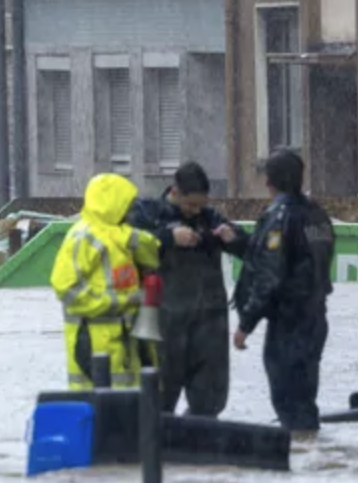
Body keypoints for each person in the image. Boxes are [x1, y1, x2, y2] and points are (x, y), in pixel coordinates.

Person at [223, 149, 335, 432]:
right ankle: (310, 460)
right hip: (315, 317)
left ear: (269, 181)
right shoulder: (317, 214)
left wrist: (245, 324)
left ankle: (296, 458)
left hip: (289, 322)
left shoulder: (280, 216)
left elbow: (271, 275)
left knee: (287, 401)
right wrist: (239, 242)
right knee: (305, 399)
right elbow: (296, 259)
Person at [123, 161, 242, 416]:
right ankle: (160, 445)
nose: (195, 211)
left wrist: (233, 237)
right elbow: (125, 243)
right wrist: (167, 238)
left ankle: (199, 441)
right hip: (164, 320)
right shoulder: (148, 212)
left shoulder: (210, 218)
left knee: (210, 395)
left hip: (209, 322)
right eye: (190, 205)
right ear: (175, 192)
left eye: (201, 205)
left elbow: (248, 248)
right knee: (161, 393)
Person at [50, 173, 161, 390]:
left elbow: (155, 253)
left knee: (127, 406)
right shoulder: (84, 237)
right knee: (102, 409)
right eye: (126, 206)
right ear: (112, 205)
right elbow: (65, 287)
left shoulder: (120, 236)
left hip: (124, 341)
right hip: (93, 342)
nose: (130, 212)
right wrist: (118, 302)